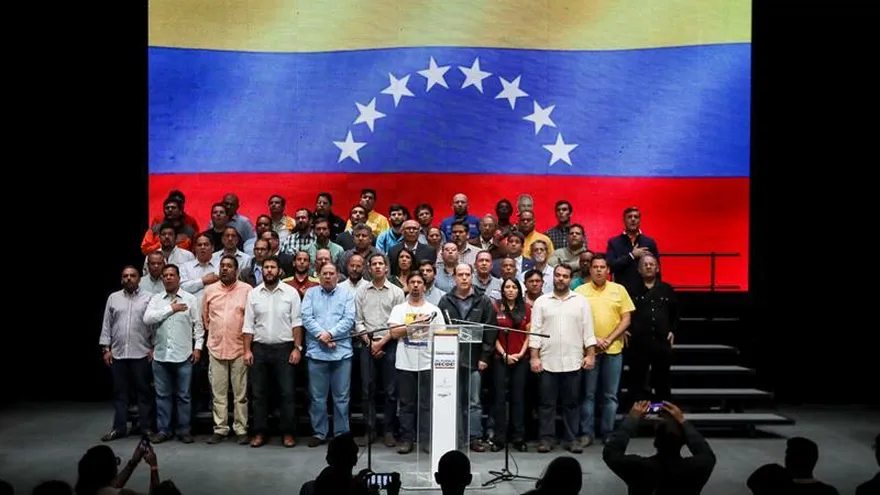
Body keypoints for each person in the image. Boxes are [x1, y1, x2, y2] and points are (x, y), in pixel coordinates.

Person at [602, 400, 716, 494]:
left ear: (655, 442)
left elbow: (610, 453)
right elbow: (706, 453)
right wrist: (683, 421)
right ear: (684, 441)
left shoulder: (639, 468)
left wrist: (632, 419)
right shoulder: (696, 468)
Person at [98, 266, 154, 441]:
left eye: (133, 276)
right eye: (125, 276)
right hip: (119, 353)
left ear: (139, 279)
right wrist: (106, 348)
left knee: (143, 393)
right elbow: (107, 324)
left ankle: (146, 428)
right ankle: (119, 428)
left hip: (141, 352)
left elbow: (153, 326)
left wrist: (153, 347)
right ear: (121, 279)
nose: (129, 278)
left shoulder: (148, 298)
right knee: (120, 393)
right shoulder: (113, 298)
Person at [388, 273, 440, 454]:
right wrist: (415, 324)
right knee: (406, 404)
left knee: (426, 404)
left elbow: (441, 335)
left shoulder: (434, 310)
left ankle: (425, 440)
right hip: (405, 364)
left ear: (425, 287)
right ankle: (406, 439)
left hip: (427, 363)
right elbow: (394, 333)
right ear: (408, 286)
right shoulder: (399, 309)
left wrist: (409, 328)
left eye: (419, 282)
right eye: (412, 282)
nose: (416, 286)